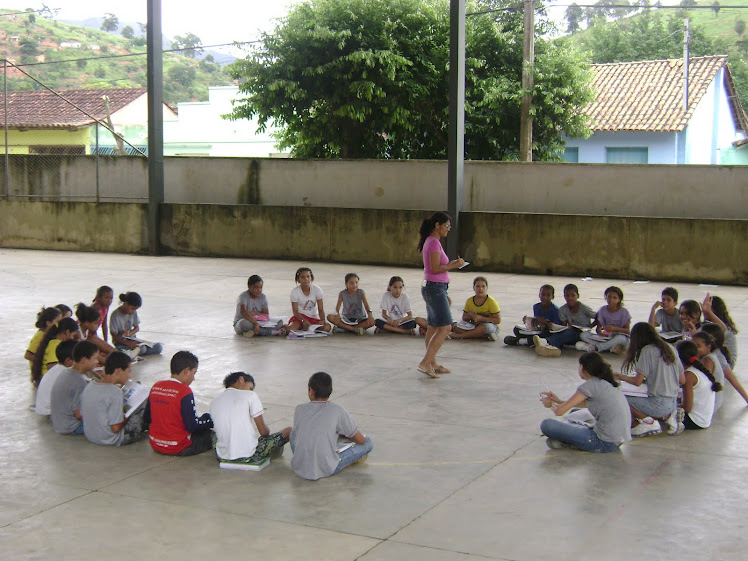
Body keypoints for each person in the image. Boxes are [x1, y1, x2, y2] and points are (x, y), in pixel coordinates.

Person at [539, 352, 631, 452]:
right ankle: (568, 438)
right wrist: (558, 401)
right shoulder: (605, 382)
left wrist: (551, 404)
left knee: (547, 425)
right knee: (574, 411)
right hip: (617, 440)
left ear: (582, 367)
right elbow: (585, 404)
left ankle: (567, 440)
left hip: (603, 442)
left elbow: (559, 412)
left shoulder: (590, 385)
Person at [290, 372, 372, 480]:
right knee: (368, 442)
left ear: (311, 391)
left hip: (299, 467)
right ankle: (348, 457)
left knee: (292, 434)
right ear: (331, 391)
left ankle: (309, 456)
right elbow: (360, 440)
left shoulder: (299, 409)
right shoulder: (337, 410)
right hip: (326, 468)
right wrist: (349, 437)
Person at [614, 322, 685, 438]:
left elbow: (637, 382)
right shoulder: (670, 347)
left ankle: (647, 423)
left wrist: (620, 376)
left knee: (620, 398)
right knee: (642, 399)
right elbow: (682, 380)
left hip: (658, 403)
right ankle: (668, 416)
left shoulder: (647, 350)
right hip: (672, 401)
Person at [417, 211, 464, 378]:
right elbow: (435, 268)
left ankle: (432, 362)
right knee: (445, 327)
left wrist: (452, 264)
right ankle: (425, 362)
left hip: (436, 287)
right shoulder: (433, 243)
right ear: (437, 225)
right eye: (447, 226)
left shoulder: (432, 242)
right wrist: (453, 266)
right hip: (434, 288)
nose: (448, 229)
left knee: (433, 326)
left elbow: (435, 266)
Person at [210, 372, 291, 467]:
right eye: (250, 388)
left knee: (213, 432)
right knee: (289, 431)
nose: (251, 390)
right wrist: (267, 432)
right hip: (249, 455)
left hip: (222, 456)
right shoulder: (250, 395)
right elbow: (263, 432)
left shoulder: (215, 401)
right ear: (241, 380)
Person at [145, 351, 213, 456]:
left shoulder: (156, 386)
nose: (194, 378)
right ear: (186, 371)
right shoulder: (184, 391)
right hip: (178, 446)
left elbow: (147, 418)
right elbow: (192, 426)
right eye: (193, 373)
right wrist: (207, 419)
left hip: (155, 444)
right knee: (211, 435)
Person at [80, 351, 148, 446]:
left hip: (91, 436)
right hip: (111, 440)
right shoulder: (115, 392)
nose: (130, 376)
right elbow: (116, 428)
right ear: (119, 371)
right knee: (144, 400)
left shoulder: (90, 385)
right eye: (129, 371)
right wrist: (126, 415)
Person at [50, 340, 100, 435]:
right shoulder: (79, 382)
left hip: (60, 423)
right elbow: (79, 414)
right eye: (95, 359)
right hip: (71, 427)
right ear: (84, 360)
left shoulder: (67, 372)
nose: (97, 362)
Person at [534, 284, 596, 357]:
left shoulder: (584, 308)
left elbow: (598, 316)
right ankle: (550, 348)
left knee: (568, 334)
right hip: (571, 332)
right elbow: (563, 326)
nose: (570, 298)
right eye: (567, 296)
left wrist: (590, 326)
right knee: (564, 333)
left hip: (583, 333)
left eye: (573, 295)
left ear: (577, 296)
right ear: (564, 296)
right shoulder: (563, 310)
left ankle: (545, 342)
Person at [675, 340, 722, 430]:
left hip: (694, 421)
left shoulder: (689, 375)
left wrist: (674, 406)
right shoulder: (700, 370)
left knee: (661, 410)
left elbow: (687, 408)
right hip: (705, 420)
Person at [700, 322, 748, 406]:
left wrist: (746, 398)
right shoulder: (709, 353)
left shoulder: (715, 356)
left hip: (710, 403)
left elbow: (732, 379)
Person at [577, 286, 631, 354]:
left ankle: (597, 348)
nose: (611, 300)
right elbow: (599, 328)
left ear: (619, 299)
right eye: (609, 297)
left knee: (621, 338)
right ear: (606, 297)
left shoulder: (624, 312)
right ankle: (610, 347)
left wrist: (615, 328)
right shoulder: (602, 310)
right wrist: (600, 331)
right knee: (583, 335)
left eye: (614, 298)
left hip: (619, 337)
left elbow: (627, 331)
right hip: (605, 338)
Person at [110, 292, 163, 356]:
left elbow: (136, 328)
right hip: (121, 343)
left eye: (135, 309)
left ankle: (133, 353)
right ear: (126, 304)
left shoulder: (133, 313)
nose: (134, 311)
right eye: (132, 308)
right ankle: (123, 352)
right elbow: (114, 337)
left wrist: (130, 333)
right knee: (142, 349)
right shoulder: (115, 316)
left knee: (158, 347)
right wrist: (127, 343)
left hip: (133, 340)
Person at [30, 317, 78, 387]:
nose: (72, 338)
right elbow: (50, 366)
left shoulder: (54, 342)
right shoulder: (55, 344)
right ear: (67, 332)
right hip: (49, 381)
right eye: (73, 335)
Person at [450, 276, 501, 341]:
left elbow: (497, 320)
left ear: (487, 288)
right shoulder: (469, 300)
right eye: (478, 286)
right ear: (474, 288)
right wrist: (469, 316)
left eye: (483, 286)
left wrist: (481, 318)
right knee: (456, 326)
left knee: (483, 328)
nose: (480, 289)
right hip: (473, 325)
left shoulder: (491, 301)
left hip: (489, 325)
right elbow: (464, 318)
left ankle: (460, 336)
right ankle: (482, 336)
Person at [35, 339, 77, 417]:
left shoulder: (58, 368)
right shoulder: (67, 373)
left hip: (45, 411)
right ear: (69, 361)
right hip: (50, 414)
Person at [287, 267, 332, 333]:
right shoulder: (295, 291)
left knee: (327, 327)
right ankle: (285, 327)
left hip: (313, 318)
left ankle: (307, 328)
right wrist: (303, 320)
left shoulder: (317, 289)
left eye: (308, 276)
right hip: (300, 318)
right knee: (291, 329)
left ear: (311, 278)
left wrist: (322, 320)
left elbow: (321, 309)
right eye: (302, 277)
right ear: (298, 280)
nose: (306, 279)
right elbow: (295, 311)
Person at [692, 331, 726, 412]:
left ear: (708, 347)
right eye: (693, 346)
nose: (694, 349)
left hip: (710, 404)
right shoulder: (707, 356)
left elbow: (703, 383)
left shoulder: (708, 360)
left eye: (698, 346)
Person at [25, 306, 62, 376]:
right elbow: (28, 355)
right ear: (48, 323)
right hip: (39, 374)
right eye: (57, 322)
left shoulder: (48, 335)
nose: (59, 325)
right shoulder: (40, 335)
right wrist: (44, 360)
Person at [704, 295, 738, 367]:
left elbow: (722, 329)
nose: (704, 311)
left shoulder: (726, 329)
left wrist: (709, 312)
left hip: (726, 363)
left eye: (708, 308)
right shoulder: (707, 324)